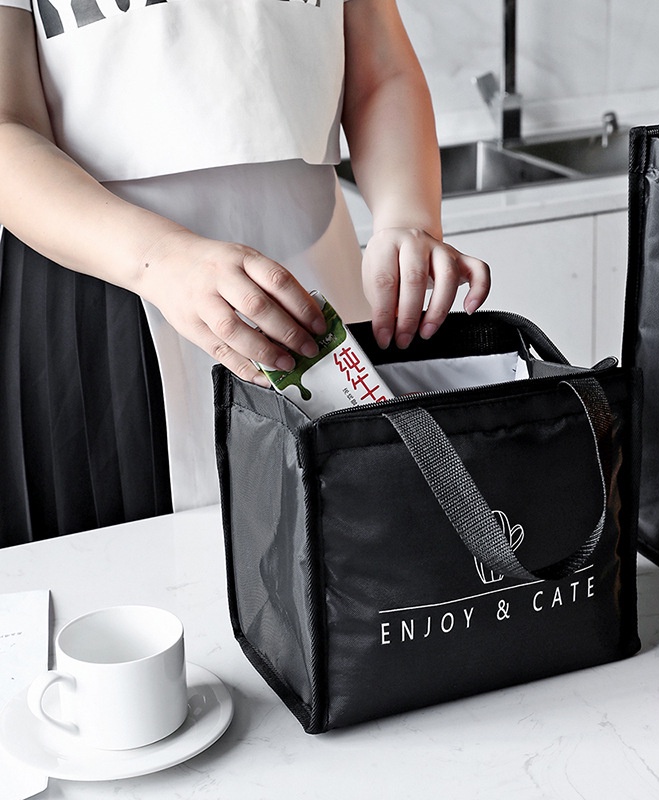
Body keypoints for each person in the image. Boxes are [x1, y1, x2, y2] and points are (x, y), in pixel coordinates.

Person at [0, 0, 490, 546]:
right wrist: (160, 257)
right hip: (105, 287)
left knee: (355, 546)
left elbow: (381, 72)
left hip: (316, 266)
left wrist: (408, 217)